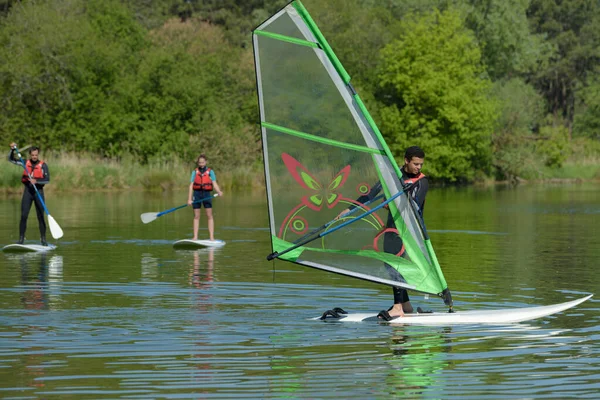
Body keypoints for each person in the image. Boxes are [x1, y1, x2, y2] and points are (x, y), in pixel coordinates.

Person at [337, 146, 428, 318]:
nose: (419, 168)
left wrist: (404, 194)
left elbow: (414, 205)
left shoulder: (422, 182)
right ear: (406, 160)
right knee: (389, 264)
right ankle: (406, 305)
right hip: (391, 227)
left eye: (421, 164)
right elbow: (371, 194)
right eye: (416, 164)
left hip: (406, 231)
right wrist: (350, 209)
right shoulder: (392, 177)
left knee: (396, 265)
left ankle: (398, 307)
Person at [8, 143, 51, 246]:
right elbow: (11, 159)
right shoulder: (24, 162)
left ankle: (43, 240)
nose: (34, 157)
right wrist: (13, 150)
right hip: (28, 192)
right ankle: (21, 240)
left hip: (38, 192)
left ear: (38, 154)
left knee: (40, 216)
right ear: (30, 155)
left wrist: (36, 181)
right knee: (23, 215)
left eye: (36, 155)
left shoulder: (43, 165)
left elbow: (47, 180)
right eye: (32, 155)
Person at [187, 154, 223, 241]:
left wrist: (219, 191)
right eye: (200, 162)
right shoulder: (194, 172)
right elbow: (191, 186)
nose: (201, 164)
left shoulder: (211, 172)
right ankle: (195, 237)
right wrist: (189, 199)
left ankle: (211, 237)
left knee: (209, 215)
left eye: (203, 162)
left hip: (207, 195)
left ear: (206, 162)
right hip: (197, 194)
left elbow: (214, 183)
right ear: (198, 163)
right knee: (196, 216)